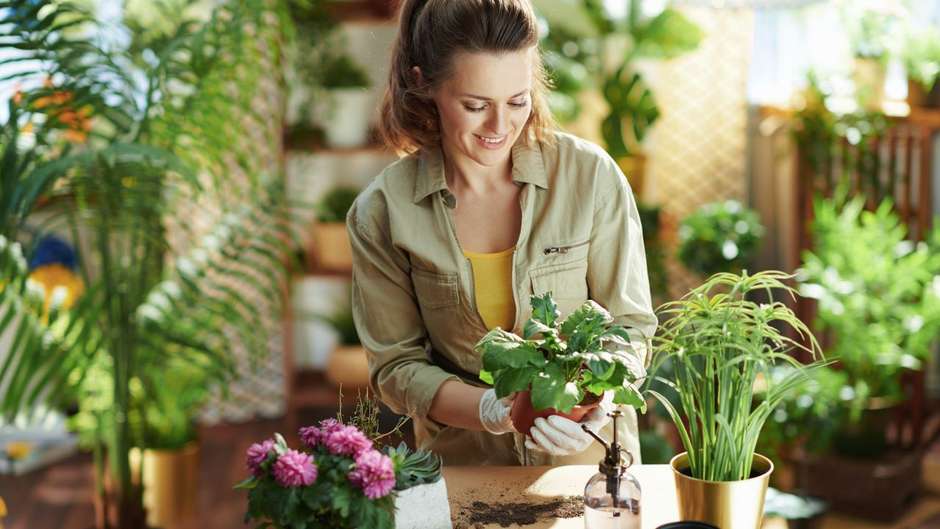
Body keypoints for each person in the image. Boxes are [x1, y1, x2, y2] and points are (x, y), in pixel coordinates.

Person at [346, 0, 657, 466]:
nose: (499, 126)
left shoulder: (590, 178)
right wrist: (491, 410)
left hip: (592, 466)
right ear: (424, 84)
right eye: (475, 106)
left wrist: (601, 398)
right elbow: (396, 367)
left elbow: (630, 325)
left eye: (517, 101)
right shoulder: (383, 211)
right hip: (467, 468)